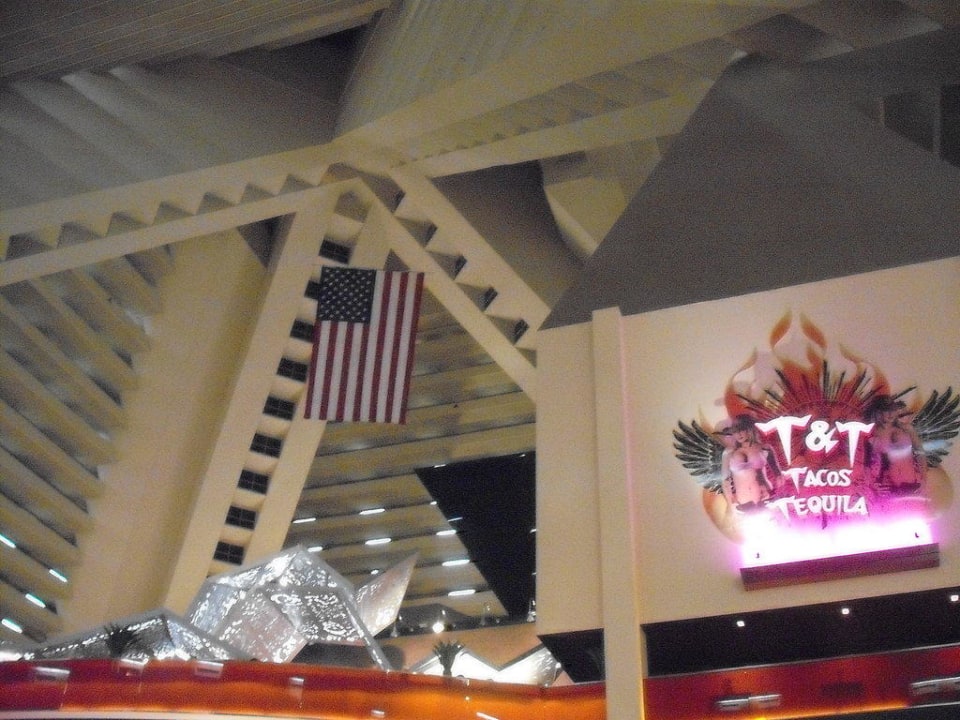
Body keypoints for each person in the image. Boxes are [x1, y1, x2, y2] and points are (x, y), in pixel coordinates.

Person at [864, 395, 926, 494]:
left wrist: (924, 479)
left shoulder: (906, 429)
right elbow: (867, 465)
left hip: (913, 484)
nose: (890, 414)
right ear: (878, 412)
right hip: (889, 488)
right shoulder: (872, 435)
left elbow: (920, 453)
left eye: (892, 410)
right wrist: (872, 484)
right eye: (886, 410)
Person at [722, 414, 782, 512]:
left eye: (741, 429)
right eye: (735, 431)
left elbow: (778, 476)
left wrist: (775, 494)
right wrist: (730, 502)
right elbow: (725, 480)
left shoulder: (765, 448)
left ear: (750, 429)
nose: (738, 434)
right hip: (743, 501)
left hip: (765, 497)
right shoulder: (729, 452)